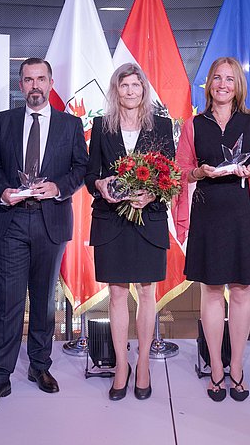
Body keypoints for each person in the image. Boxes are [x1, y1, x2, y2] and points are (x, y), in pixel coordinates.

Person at [0, 58, 88, 413]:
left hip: (50, 221)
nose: (34, 85)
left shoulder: (70, 124)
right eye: (28, 79)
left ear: (50, 83)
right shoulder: (5, 121)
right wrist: (2, 191)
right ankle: (0, 376)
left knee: (43, 300)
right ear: (20, 84)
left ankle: (39, 366)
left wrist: (58, 188)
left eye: (41, 78)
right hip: (11, 221)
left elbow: (81, 168)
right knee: (9, 301)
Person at [175, 57, 250, 402]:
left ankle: (237, 367)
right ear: (209, 84)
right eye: (217, 78)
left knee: (241, 292)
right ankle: (216, 368)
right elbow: (181, 169)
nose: (222, 84)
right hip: (208, 214)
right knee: (211, 291)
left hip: (244, 214)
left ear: (238, 86)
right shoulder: (194, 124)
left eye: (229, 79)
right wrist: (199, 173)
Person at [85, 63, 175, 401]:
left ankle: (144, 364)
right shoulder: (101, 126)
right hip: (111, 220)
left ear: (144, 89)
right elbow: (90, 174)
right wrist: (100, 185)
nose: (130, 91)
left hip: (149, 219)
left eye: (136, 85)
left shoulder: (161, 125)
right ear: (116, 89)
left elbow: (170, 174)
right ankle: (121, 366)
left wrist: (151, 193)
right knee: (117, 293)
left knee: (147, 292)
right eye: (124, 85)